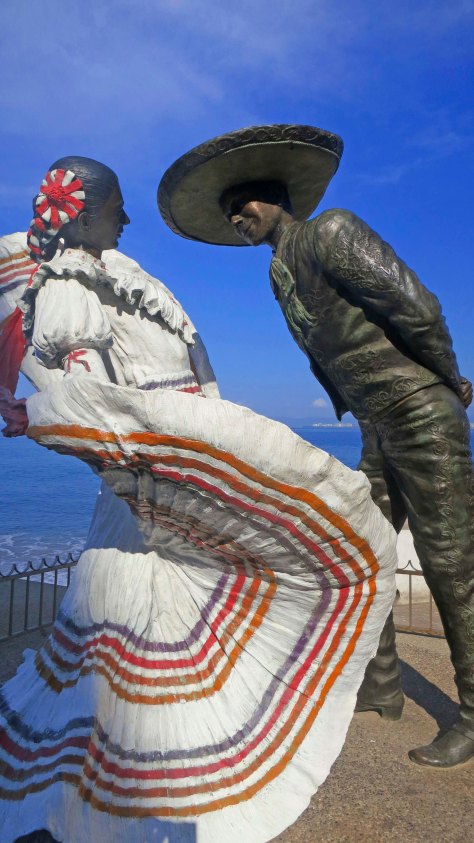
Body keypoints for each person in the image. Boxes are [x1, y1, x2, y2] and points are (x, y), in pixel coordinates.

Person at [0, 157, 396, 843]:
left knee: (137, 652)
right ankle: (109, 807)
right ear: (85, 215)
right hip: (145, 489)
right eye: (117, 208)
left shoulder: (108, 274)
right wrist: (48, 418)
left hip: (159, 483)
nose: (127, 219)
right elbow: (88, 397)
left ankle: (117, 802)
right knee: (126, 654)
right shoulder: (68, 284)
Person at [157, 123, 474, 769]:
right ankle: (381, 685)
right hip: (377, 425)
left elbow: (417, 306)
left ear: (277, 197)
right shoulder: (279, 272)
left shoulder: (331, 232)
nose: (236, 216)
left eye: (243, 202)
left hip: (420, 412)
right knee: (362, 550)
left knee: (451, 566)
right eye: (228, 211)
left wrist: (450, 378)